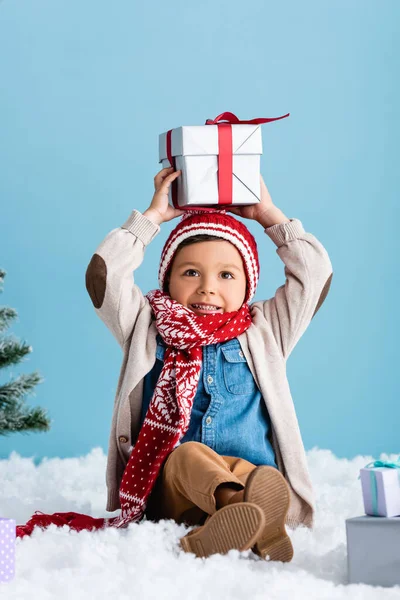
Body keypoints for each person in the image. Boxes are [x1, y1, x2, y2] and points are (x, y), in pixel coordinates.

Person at [16, 167, 333, 561]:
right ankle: (244, 513)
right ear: (167, 282)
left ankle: (239, 518)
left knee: (257, 475)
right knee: (189, 455)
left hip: (245, 475)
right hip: (172, 489)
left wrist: (268, 214)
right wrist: (150, 220)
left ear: (248, 286)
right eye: (190, 272)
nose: (208, 287)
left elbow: (315, 275)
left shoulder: (265, 331)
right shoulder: (145, 326)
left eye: (226, 275)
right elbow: (104, 275)